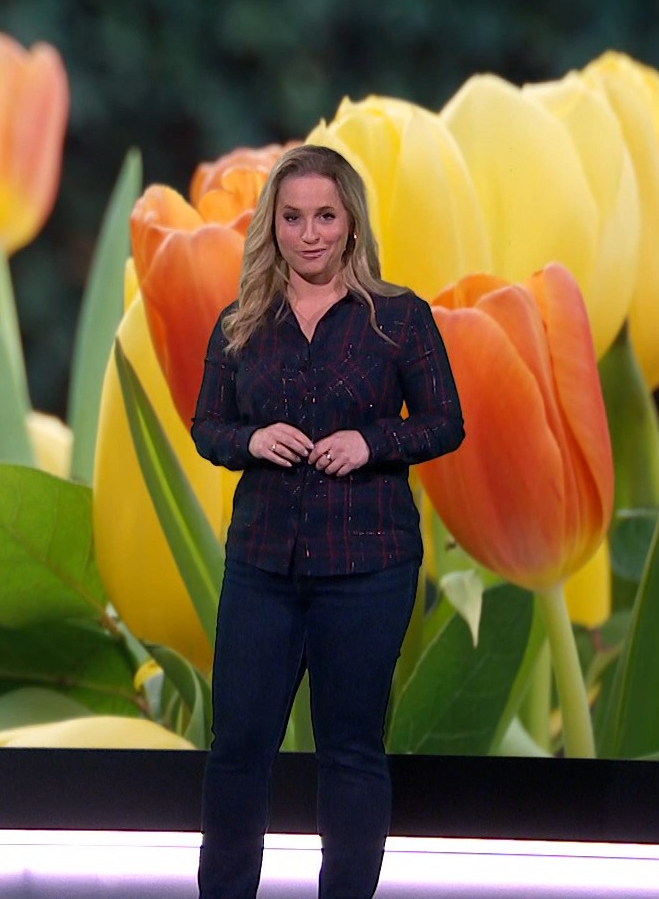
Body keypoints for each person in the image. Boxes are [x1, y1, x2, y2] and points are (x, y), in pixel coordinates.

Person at [191, 144, 464, 899]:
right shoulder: (241, 324)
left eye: (325, 217)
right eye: (293, 218)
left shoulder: (399, 319)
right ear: (272, 226)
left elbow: (445, 422)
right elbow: (207, 426)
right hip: (263, 564)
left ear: (351, 224)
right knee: (238, 751)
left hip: (367, 566)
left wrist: (372, 442)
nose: (309, 234)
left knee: (350, 752)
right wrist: (250, 440)